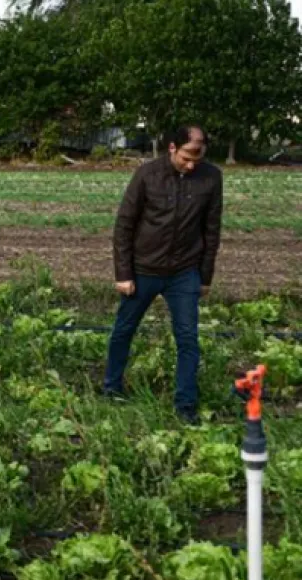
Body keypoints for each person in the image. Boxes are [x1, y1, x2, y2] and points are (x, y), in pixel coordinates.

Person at [104, 125, 223, 425]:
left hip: (185, 272)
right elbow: (124, 226)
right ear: (172, 147)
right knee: (123, 330)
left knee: (187, 338)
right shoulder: (147, 175)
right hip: (143, 270)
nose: (191, 164)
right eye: (187, 156)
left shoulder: (211, 177)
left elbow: (212, 229)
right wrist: (124, 273)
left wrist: (205, 277)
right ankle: (111, 387)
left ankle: (185, 404)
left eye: (198, 157)